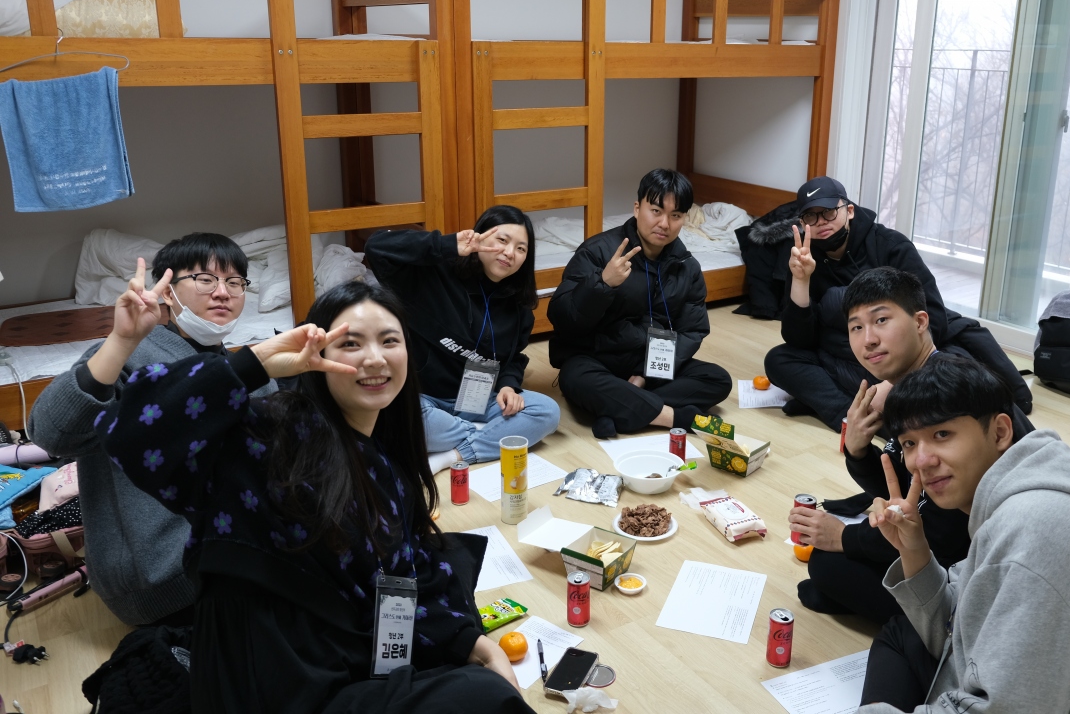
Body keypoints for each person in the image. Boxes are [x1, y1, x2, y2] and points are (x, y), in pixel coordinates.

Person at [96, 275, 531, 714]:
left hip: (346, 652)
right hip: (274, 679)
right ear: (317, 355)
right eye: (351, 344)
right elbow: (133, 436)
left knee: (451, 564)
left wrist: (476, 645)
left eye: (389, 341)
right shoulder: (269, 432)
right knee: (482, 696)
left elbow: (408, 569)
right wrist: (255, 363)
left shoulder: (390, 460)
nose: (374, 358)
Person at [855, 356, 1070, 712]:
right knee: (898, 632)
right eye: (909, 443)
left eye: (942, 434)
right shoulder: (1011, 501)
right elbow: (957, 630)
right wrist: (914, 550)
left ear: (1000, 432)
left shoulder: (1038, 531)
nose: (921, 461)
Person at [28, 233, 268, 626]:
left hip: (231, 561)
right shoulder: (133, 358)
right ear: (168, 292)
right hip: (163, 581)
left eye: (235, 281)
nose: (223, 292)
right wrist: (120, 341)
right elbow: (51, 434)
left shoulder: (241, 367)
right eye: (205, 279)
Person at [790, 268, 1033, 624]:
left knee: (830, 565)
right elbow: (910, 489)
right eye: (856, 327)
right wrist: (857, 450)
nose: (868, 340)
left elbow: (943, 528)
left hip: (989, 558)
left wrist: (846, 537)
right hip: (960, 536)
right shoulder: (910, 386)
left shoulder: (944, 388)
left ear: (920, 321)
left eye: (881, 320)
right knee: (833, 562)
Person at [764, 176, 1031, 432]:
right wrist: (801, 280)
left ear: (849, 211)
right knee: (779, 359)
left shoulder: (891, 245)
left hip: (904, 356)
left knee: (955, 371)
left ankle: (867, 404)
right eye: (811, 216)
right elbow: (799, 340)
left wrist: (893, 381)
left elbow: (933, 318)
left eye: (829, 212)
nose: (821, 222)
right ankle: (852, 417)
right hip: (850, 351)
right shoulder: (803, 256)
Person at [365, 206, 560, 472]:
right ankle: (489, 435)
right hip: (423, 398)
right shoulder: (432, 275)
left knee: (547, 411)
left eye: (521, 249)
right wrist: (447, 245)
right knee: (394, 418)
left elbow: (513, 357)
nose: (509, 252)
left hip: (478, 401)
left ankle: (453, 454)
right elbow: (376, 247)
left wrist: (508, 386)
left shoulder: (519, 306)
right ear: (479, 237)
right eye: (502, 240)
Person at [548, 168, 732, 438]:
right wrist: (602, 284)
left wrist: (644, 375)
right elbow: (563, 319)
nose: (664, 224)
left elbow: (692, 331)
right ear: (637, 209)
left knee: (717, 379)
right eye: (656, 211)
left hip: (649, 361)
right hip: (595, 357)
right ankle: (674, 416)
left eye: (675, 215)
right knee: (575, 378)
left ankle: (618, 409)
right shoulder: (598, 251)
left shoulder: (687, 266)